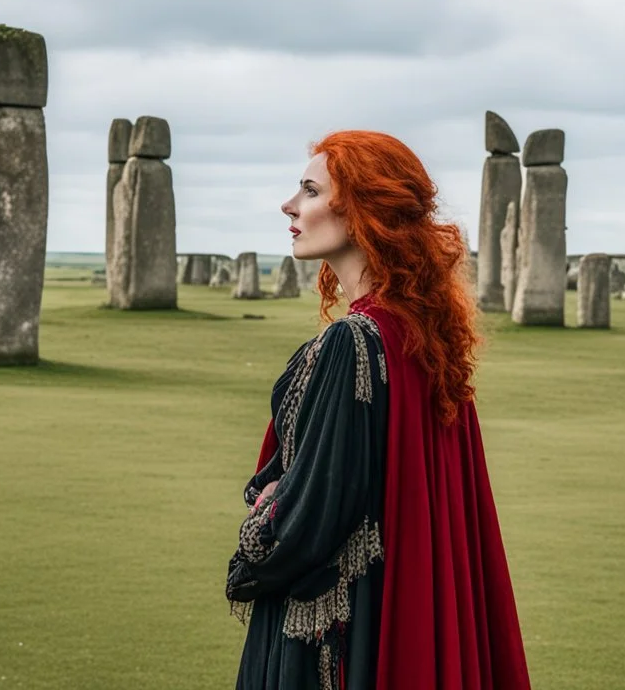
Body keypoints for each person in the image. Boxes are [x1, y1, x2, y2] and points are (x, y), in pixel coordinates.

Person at [225, 130, 531, 690]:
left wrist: (260, 531)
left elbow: (314, 514)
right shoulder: (420, 333)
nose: (289, 205)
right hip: (389, 610)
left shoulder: (357, 340)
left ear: (364, 212)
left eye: (310, 191)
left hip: (334, 631)